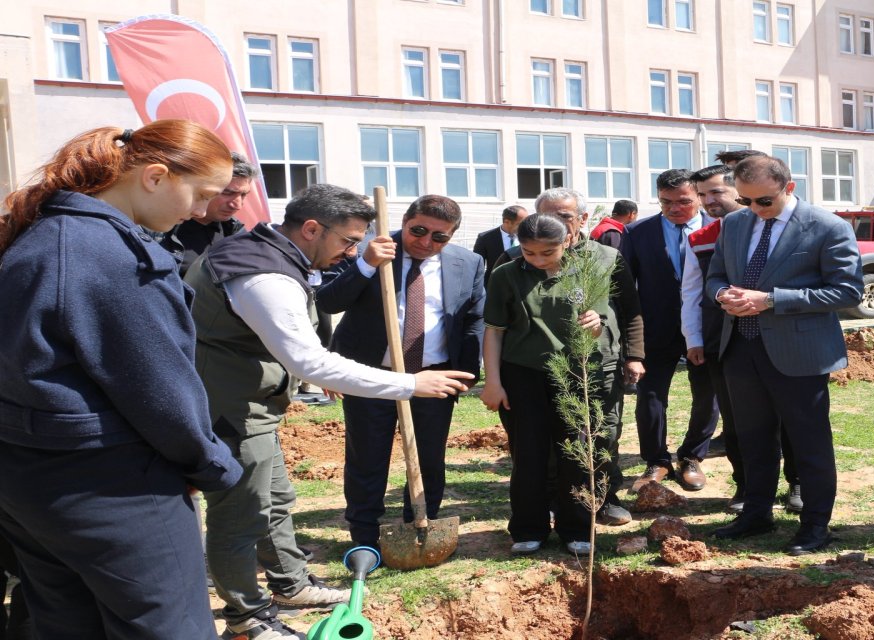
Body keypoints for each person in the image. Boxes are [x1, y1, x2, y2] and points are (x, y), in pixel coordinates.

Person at [187, 184, 474, 640]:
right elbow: (310, 360)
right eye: (346, 241)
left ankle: (291, 584)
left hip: (254, 403)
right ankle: (246, 618)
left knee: (274, 500)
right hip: (231, 407)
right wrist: (410, 384)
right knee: (240, 513)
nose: (351, 251)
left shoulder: (268, 254)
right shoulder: (263, 273)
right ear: (312, 228)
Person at [0, 120, 242, 639]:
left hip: (27, 481)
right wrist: (210, 465)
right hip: (112, 488)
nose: (200, 212)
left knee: (66, 624)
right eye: (201, 195)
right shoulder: (112, 258)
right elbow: (161, 393)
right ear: (154, 176)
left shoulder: (41, 234)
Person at [705, 155, 863, 555]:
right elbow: (716, 277)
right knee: (752, 439)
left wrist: (772, 300)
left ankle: (815, 525)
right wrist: (724, 294)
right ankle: (756, 513)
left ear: (789, 188)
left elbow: (847, 291)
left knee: (808, 441)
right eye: (746, 201)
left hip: (800, 353)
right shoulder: (734, 224)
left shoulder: (828, 226)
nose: (755, 210)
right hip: (741, 346)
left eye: (764, 201)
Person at [316, 195, 485, 547]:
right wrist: (366, 264)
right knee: (367, 457)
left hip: (433, 376)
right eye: (418, 231)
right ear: (405, 221)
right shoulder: (367, 248)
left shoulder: (468, 263)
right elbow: (328, 302)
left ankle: (422, 525)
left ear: (452, 236)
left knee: (429, 456)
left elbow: (473, 320)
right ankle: (364, 534)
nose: (425, 242)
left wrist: (465, 374)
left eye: (439, 237)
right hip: (371, 374)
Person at [481, 213, 637, 554]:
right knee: (529, 453)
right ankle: (528, 527)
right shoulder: (505, 275)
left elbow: (596, 327)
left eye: (547, 252)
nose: (537, 259)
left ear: (567, 240)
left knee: (576, 453)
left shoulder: (587, 272)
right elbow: (494, 331)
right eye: (529, 252)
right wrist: (492, 382)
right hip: (523, 375)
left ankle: (576, 528)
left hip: (576, 373)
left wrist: (596, 322)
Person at [682, 163, 802, 514]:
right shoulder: (703, 238)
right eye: (702, 194)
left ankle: (798, 482)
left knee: (791, 418)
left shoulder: (789, 227)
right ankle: (747, 485)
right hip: (728, 341)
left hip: (784, 340)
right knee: (739, 422)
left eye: (717, 191)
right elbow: (692, 291)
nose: (709, 200)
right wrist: (694, 337)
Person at [622, 169, 719, 492]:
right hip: (655, 328)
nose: (674, 208)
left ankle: (692, 456)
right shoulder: (637, 233)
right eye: (666, 202)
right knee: (650, 396)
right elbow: (625, 288)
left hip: (706, 326)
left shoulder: (718, 228)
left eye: (683, 202)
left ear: (698, 198)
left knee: (707, 394)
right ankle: (656, 460)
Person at [160, 151, 255, 277]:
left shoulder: (235, 231)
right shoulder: (159, 231)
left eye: (243, 194)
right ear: (202, 188)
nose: (237, 205)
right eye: (227, 192)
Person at [472, 204, 528, 284]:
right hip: (496, 285)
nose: (525, 227)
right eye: (520, 224)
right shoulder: (485, 238)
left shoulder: (529, 236)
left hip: (523, 285)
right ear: (507, 222)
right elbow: (477, 267)